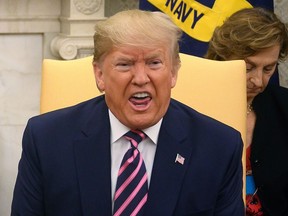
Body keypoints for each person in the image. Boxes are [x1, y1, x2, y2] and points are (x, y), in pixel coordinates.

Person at [11, 9, 244, 215]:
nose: (141, 78)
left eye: (154, 63)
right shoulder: (45, 139)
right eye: (125, 64)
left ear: (173, 72)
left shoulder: (220, 147)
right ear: (100, 75)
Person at [205, 7, 288, 216]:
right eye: (248, 67)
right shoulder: (193, 104)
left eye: (268, 69)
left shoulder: (284, 106)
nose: (258, 81)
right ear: (223, 56)